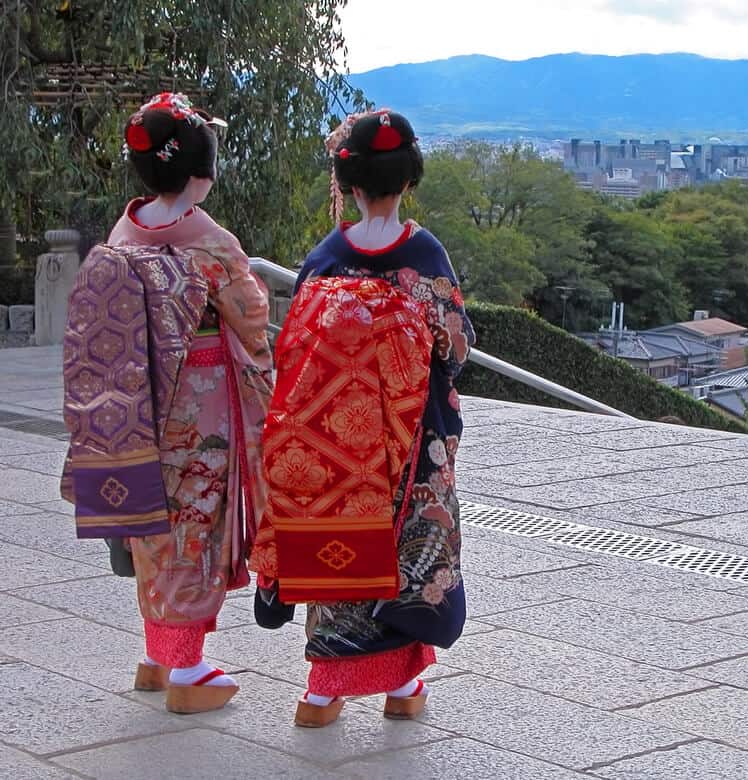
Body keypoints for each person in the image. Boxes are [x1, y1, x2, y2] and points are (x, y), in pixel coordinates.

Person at [251, 110, 474, 727]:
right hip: (412, 439)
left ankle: (324, 691)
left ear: (348, 184)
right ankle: (400, 687)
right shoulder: (424, 254)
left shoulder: (326, 256)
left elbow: (294, 346)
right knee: (410, 556)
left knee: (340, 552)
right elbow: (455, 350)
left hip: (331, 445)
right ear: (409, 181)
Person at [62, 92, 273, 714]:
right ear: (201, 170)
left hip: (134, 397)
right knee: (193, 522)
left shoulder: (125, 229)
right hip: (198, 397)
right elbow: (252, 316)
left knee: (153, 524)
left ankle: (157, 656)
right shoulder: (208, 238)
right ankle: (187, 671)